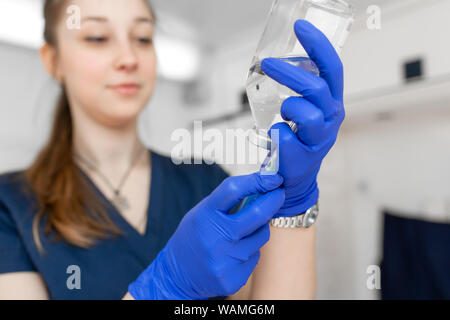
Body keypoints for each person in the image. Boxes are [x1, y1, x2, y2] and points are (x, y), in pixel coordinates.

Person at [0, 0, 346, 300]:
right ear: (53, 60)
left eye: (142, 38)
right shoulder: (11, 207)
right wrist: (163, 289)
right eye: (97, 37)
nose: (128, 57)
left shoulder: (206, 183)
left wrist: (296, 201)